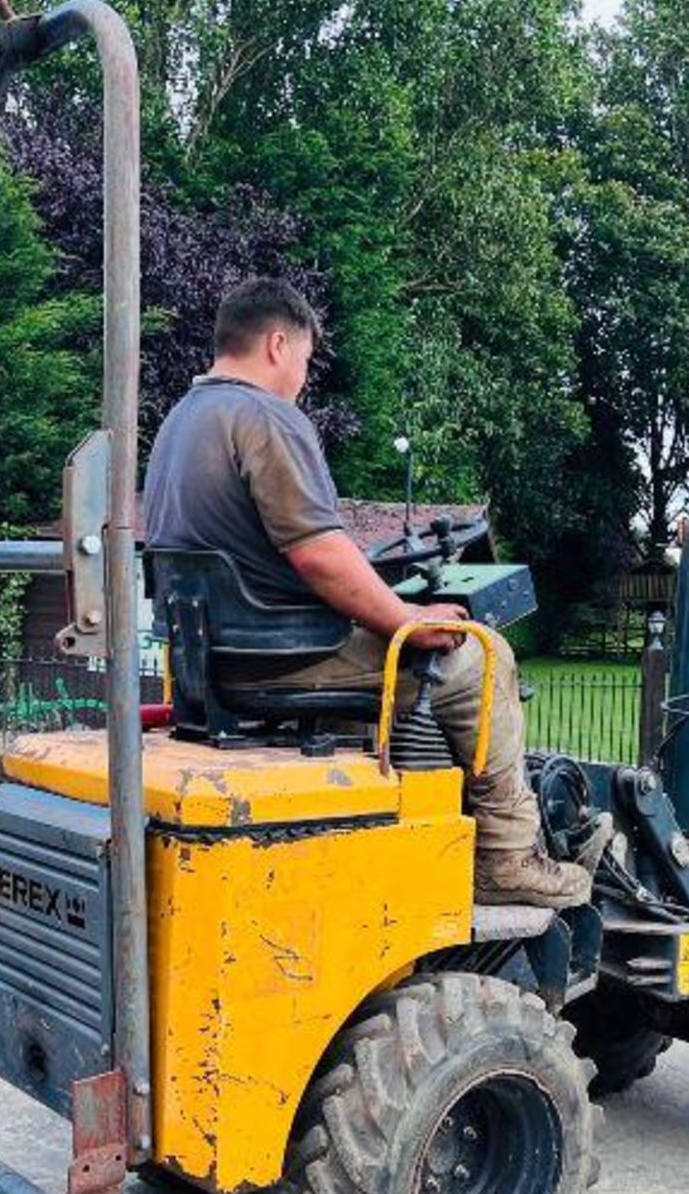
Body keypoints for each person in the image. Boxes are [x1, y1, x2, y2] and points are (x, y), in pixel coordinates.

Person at [143, 277, 592, 909]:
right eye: (302, 360)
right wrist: (408, 617)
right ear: (277, 344)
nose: (302, 377)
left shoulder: (178, 425)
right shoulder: (266, 418)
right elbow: (320, 555)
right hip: (287, 659)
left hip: (215, 667)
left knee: (424, 644)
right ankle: (507, 855)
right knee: (480, 654)